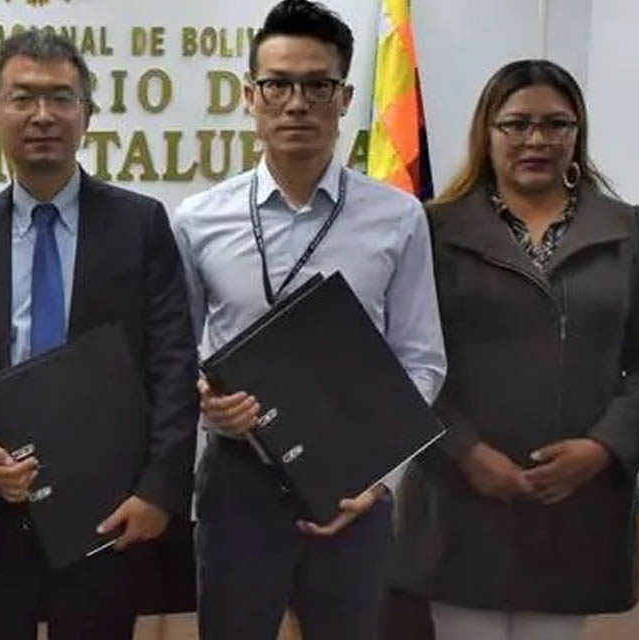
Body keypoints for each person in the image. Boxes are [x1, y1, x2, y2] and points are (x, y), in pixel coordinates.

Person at [172, 2, 447, 638]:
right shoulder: (197, 218)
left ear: (345, 96)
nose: (296, 103)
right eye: (278, 85)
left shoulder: (398, 218)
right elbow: (178, 354)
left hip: (356, 478)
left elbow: (421, 357)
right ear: (250, 96)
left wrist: (380, 480)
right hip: (238, 483)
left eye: (317, 85)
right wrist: (207, 402)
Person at [0, 28, 199, 640]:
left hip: (108, 513)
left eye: (61, 98)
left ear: (88, 115)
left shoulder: (141, 224)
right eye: (23, 98)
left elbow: (174, 364)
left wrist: (159, 489)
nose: (42, 115)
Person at [393, 59, 639, 640]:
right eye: (516, 124)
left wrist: (603, 448)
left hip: (575, 506)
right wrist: (463, 451)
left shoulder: (624, 229)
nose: (537, 139)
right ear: (487, 132)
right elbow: (401, 360)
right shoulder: (432, 230)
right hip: (461, 502)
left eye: (556, 124)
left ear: (577, 133)